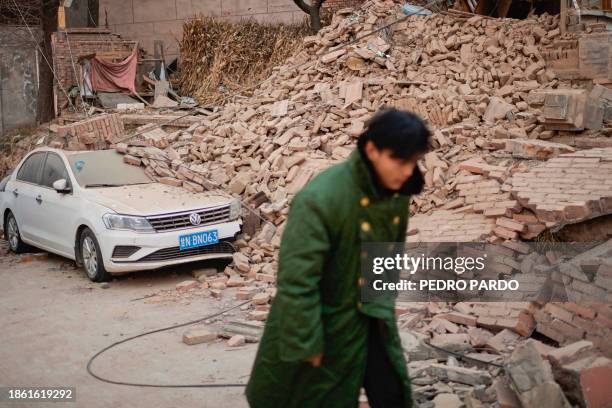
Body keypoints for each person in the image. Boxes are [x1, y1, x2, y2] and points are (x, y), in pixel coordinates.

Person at [245, 108, 430, 408]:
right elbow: (297, 280)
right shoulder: (320, 199)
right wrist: (307, 341)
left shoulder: (395, 194)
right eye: (400, 161)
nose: (408, 171)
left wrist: (384, 303)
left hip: (372, 319)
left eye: (414, 162)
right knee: (307, 397)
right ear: (371, 150)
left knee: (393, 393)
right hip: (323, 323)